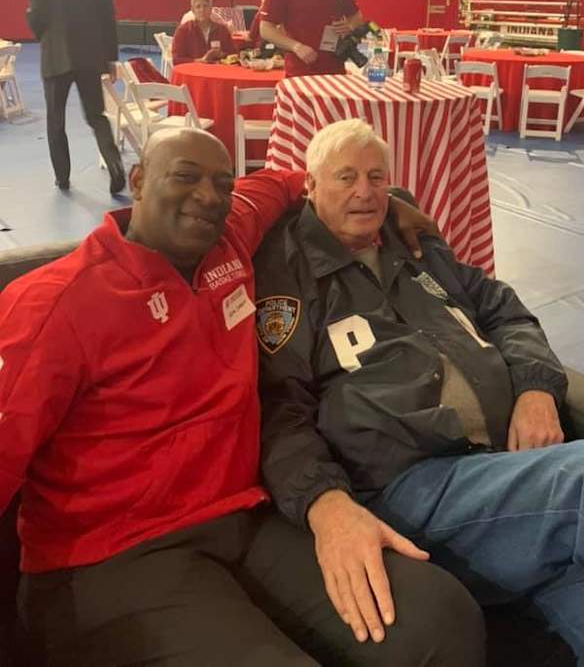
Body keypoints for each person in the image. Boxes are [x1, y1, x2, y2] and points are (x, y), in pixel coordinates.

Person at [0, 128, 483, 667]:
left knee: (439, 619)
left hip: (243, 518)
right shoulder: (55, 304)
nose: (207, 195)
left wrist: (385, 202)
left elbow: (289, 180)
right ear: (136, 181)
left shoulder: (227, 238)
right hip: (114, 557)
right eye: (185, 176)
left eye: (221, 184)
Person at [253, 118, 584, 667]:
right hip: (406, 481)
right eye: (345, 177)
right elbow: (279, 411)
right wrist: (325, 503)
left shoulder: (412, 245)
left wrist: (535, 389)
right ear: (310, 186)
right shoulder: (291, 278)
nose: (365, 191)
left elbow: (504, 310)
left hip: (495, 471)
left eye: (376, 176)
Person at [26, 0, 126, 194]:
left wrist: (47, 38)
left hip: (55, 59)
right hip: (90, 59)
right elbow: (109, 22)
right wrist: (111, 59)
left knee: (55, 121)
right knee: (96, 116)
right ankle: (115, 166)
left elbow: (34, 17)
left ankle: (63, 178)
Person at [172, 0, 237, 65]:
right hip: (193, 72)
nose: (202, 10)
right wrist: (201, 60)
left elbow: (234, 55)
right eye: (198, 7)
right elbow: (176, 60)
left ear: (211, 9)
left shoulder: (222, 30)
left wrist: (221, 55)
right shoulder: (183, 30)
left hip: (217, 72)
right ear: (193, 10)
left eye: (205, 6)